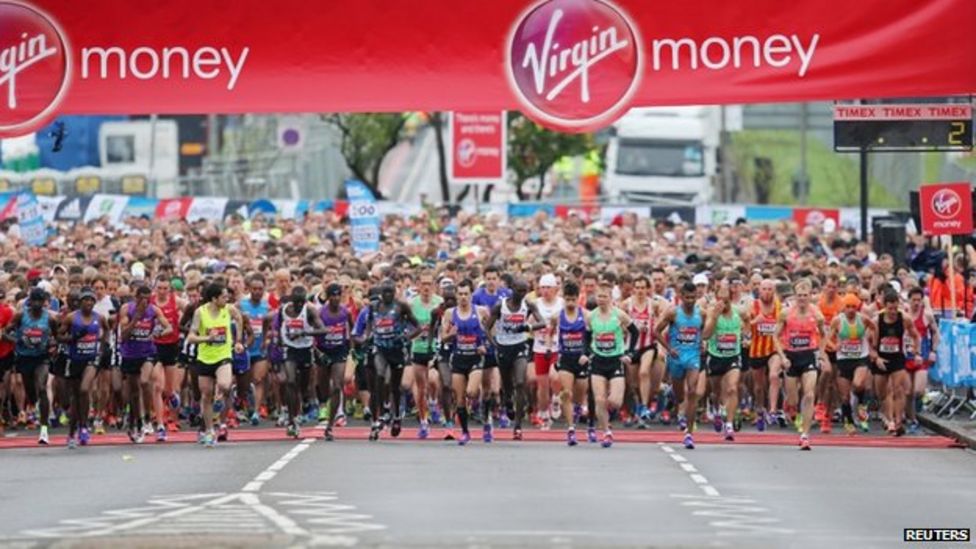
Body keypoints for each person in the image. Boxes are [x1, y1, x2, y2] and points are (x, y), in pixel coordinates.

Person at [186, 282, 246, 447]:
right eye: (224, 297)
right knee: (206, 395)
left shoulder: (229, 309)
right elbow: (191, 336)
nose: (227, 299)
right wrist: (207, 338)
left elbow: (239, 318)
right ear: (214, 298)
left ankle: (220, 397)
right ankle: (210, 431)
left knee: (225, 385)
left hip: (223, 355)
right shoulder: (201, 312)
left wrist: (238, 340)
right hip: (205, 357)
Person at [485, 279, 547, 441]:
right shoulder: (500, 306)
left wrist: (527, 327)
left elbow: (543, 322)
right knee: (507, 385)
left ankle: (518, 425)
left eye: (524, 291)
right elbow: (486, 326)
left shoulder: (528, 305)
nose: (522, 294)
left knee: (520, 382)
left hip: (519, 346)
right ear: (512, 289)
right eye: (519, 290)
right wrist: (494, 344)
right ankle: (507, 401)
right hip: (503, 347)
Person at [361, 280, 421, 441]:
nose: (388, 295)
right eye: (385, 292)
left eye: (390, 292)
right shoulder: (374, 307)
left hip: (397, 350)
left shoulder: (401, 307)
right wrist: (367, 337)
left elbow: (418, 326)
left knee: (395, 386)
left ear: (394, 293)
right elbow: (369, 325)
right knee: (379, 376)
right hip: (380, 348)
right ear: (381, 293)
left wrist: (407, 337)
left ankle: (396, 417)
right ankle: (384, 410)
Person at [774, 280, 827, 450]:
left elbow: (825, 335)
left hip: (809, 355)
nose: (802, 298)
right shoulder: (786, 313)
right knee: (793, 400)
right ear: (795, 296)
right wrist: (782, 357)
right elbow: (775, 336)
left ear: (810, 296)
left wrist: (820, 354)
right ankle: (790, 408)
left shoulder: (817, 315)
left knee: (809, 394)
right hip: (791, 357)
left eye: (805, 295)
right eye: (799, 296)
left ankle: (805, 435)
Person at [117, 284, 172, 444]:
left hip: (148, 352)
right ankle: (137, 421)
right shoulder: (127, 309)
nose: (145, 303)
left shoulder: (153, 310)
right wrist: (137, 317)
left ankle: (148, 417)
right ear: (136, 297)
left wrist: (159, 332)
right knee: (134, 392)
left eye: (148, 300)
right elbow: (124, 334)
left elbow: (168, 327)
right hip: (129, 353)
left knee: (145, 381)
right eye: (142, 299)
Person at [5, 288, 60, 444]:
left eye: (39, 301)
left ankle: (43, 430)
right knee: (31, 392)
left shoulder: (49, 319)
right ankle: (34, 405)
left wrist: (52, 345)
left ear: (44, 303)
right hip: (24, 358)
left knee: (42, 387)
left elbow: (57, 337)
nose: (36, 304)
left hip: (41, 358)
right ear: (29, 302)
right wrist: (18, 340)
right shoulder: (21, 316)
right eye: (33, 301)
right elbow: (5, 332)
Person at [58, 287, 109, 448]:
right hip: (74, 360)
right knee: (75, 399)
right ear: (80, 302)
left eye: (91, 300)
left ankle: (85, 426)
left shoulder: (99, 318)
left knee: (84, 389)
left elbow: (107, 331)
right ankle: (73, 432)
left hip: (91, 359)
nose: (88, 303)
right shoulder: (71, 318)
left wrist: (102, 347)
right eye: (85, 300)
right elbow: (59, 336)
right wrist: (73, 338)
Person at [586, 283, 635, 448]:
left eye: (604, 296)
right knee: (599, 399)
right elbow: (586, 336)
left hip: (615, 360)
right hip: (598, 360)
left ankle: (607, 413)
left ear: (610, 298)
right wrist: (586, 353)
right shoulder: (591, 316)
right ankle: (606, 432)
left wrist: (630, 353)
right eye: (598, 296)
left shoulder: (619, 315)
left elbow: (635, 332)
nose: (601, 300)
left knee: (615, 401)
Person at [440, 279, 489, 445]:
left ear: (471, 295)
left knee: (471, 392)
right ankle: (465, 432)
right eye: (460, 294)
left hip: (475, 358)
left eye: (466, 294)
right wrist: (451, 335)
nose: (463, 297)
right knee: (459, 399)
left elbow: (491, 332)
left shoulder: (481, 311)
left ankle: (478, 403)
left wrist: (485, 345)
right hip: (459, 358)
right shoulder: (449, 313)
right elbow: (443, 338)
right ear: (456, 295)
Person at [657, 282, 705, 449]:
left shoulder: (701, 314)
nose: (690, 300)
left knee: (693, 391)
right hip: (677, 357)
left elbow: (705, 331)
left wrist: (703, 342)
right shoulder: (673, 313)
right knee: (680, 396)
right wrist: (669, 349)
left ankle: (689, 434)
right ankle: (675, 400)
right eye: (687, 297)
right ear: (681, 296)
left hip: (693, 356)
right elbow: (656, 331)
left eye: (693, 297)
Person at [276, 286, 328, 439]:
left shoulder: (310, 311)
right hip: (290, 349)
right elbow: (280, 326)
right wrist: (279, 342)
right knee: (290, 382)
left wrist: (305, 332)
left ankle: (306, 401)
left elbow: (323, 330)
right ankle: (292, 420)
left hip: (305, 350)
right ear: (292, 300)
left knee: (303, 386)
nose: (299, 306)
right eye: (296, 302)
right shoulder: (284, 309)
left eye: (302, 302)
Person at [702, 283, 748, 442]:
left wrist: (746, 337)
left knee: (732, 388)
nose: (723, 303)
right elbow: (706, 335)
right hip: (715, 356)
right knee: (716, 392)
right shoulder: (711, 312)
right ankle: (715, 409)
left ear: (731, 298)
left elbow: (748, 321)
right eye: (720, 299)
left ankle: (728, 424)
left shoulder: (739, 312)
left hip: (733, 356)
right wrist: (714, 318)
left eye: (726, 299)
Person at [871, 289, 920, 436]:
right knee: (882, 393)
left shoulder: (904, 318)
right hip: (881, 358)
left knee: (897, 389)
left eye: (895, 308)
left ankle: (897, 421)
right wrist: (876, 358)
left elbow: (916, 336)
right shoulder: (876, 321)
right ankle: (888, 417)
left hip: (897, 357)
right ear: (884, 306)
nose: (892, 312)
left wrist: (915, 351)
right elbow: (869, 345)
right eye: (889, 308)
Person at [828, 293, 876, 435]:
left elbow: (874, 328)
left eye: (853, 307)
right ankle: (848, 422)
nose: (850, 310)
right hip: (843, 359)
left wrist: (873, 345)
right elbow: (827, 337)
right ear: (844, 308)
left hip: (861, 357)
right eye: (848, 307)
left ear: (857, 307)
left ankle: (861, 404)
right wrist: (834, 346)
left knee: (858, 384)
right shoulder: (837, 321)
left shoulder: (863, 319)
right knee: (845, 397)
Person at [551, 280, 590, 446]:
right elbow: (550, 332)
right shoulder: (557, 316)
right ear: (563, 298)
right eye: (568, 299)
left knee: (580, 395)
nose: (571, 303)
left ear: (578, 298)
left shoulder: (586, 315)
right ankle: (571, 429)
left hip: (580, 359)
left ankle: (577, 409)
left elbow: (592, 337)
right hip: (565, 358)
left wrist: (587, 354)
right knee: (567, 393)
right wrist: (549, 346)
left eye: (573, 299)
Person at [406, 271, 443, 439]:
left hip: (435, 349)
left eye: (429, 284)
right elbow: (408, 330)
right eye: (423, 284)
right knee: (421, 389)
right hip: (418, 349)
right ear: (418, 286)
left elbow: (446, 325)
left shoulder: (440, 303)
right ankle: (423, 422)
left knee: (434, 380)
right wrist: (419, 331)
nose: (426, 287)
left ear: (434, 286)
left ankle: (434, 403)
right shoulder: (412, 304)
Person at [316, 283, 354, 441]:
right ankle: (323, 404)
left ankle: (330, 425)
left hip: (339, 351)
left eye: (338, 295)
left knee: (337, 386)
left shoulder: (345, 312)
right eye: (333, 295)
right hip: (323, 351)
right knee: (324, 387)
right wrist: (317, 352)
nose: (336, 298)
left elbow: (352, 331)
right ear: (328, 297)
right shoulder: (320, 313)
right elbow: (313, 334)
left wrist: (351, 350)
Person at [151, 275, 186, 440]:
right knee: (157, 386)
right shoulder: (150, 302)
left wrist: (184, 326)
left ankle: (173, 416)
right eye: (160, 288)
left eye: (166, 288)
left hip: (171, 346)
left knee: (169, 390)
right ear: (155, 288)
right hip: (155, 346)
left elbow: (193, 310)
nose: (163, 291)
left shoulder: (176, 301)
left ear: (170, 289)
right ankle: (160, 424)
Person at [748, 279, 782, 431]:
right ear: (759, 291)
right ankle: (760, 410)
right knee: (758, 387)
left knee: (774, 375)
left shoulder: (780, 307)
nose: (767, 292)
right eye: (764, 289)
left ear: (774, 291)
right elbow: (743, 328)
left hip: (774, 349)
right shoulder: (752, 306)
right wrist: (756, 321)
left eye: (770, 289)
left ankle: (773, 411)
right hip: (756, 350)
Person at [531, 273, 563, 430]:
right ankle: (544, 414)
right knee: (542, 386)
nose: (545, 290)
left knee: (554, 376)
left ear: (556, 288)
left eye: (548, 287)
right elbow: (528, 324)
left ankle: (556, 397)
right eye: (542, 287)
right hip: (540, 347)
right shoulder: (535, 304)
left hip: (558, 346)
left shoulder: (562, 303)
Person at [239, 275, 271, 425]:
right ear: (249, 289)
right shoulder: (240, 305)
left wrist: (267, 339)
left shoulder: (267, 307)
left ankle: (257, 411)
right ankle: (245, 406)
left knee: (258, 379)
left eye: (260, 289)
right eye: (254, 289)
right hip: (244, 349)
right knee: (244, 382)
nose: (257, 292)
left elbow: (271, 327)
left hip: (260, 349)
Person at [905, 287, 938, 434]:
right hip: (906, 357)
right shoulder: (903, 315)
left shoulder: (927, 316)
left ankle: (913, 415)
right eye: (914, 300)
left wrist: (933, 351)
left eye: (919, 300)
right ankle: (911, 419)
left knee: (918, 390)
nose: (917, 303)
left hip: (922, 358)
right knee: (907, 392)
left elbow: (936, 333)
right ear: (909, 300)